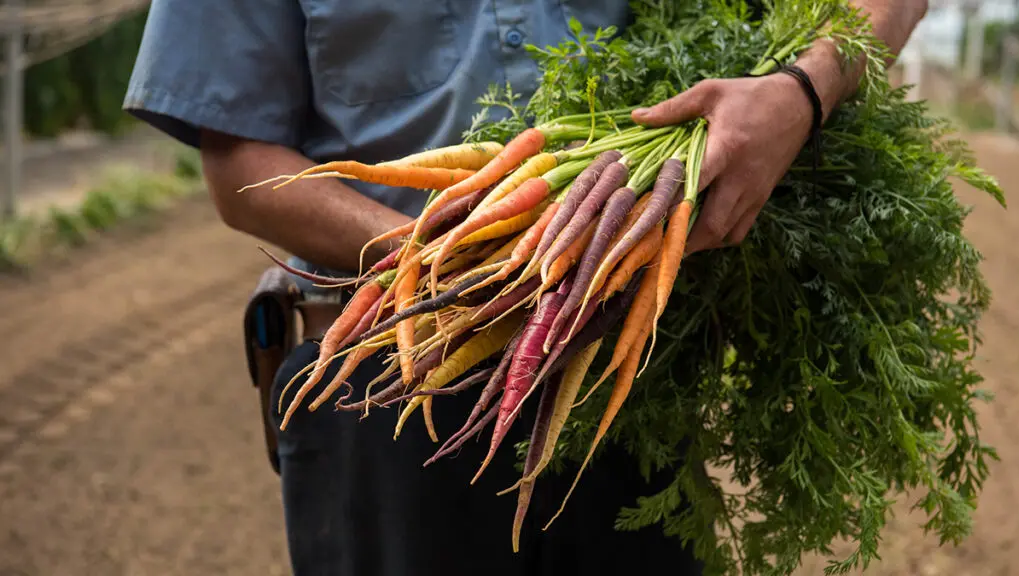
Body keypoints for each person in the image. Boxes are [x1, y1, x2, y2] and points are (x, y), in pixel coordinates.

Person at [123, 1, 927, 574]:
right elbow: (240, 168)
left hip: (630, 362)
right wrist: (458, 257)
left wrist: (801, 92)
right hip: (395, 361)